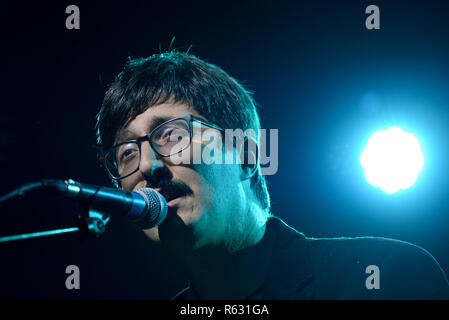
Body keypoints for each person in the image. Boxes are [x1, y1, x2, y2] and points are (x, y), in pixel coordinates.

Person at [95, 51, 449, 299]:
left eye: (171, 134)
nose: (145, 165)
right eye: (126, 153)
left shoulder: (384, 276)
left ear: (248, 155)